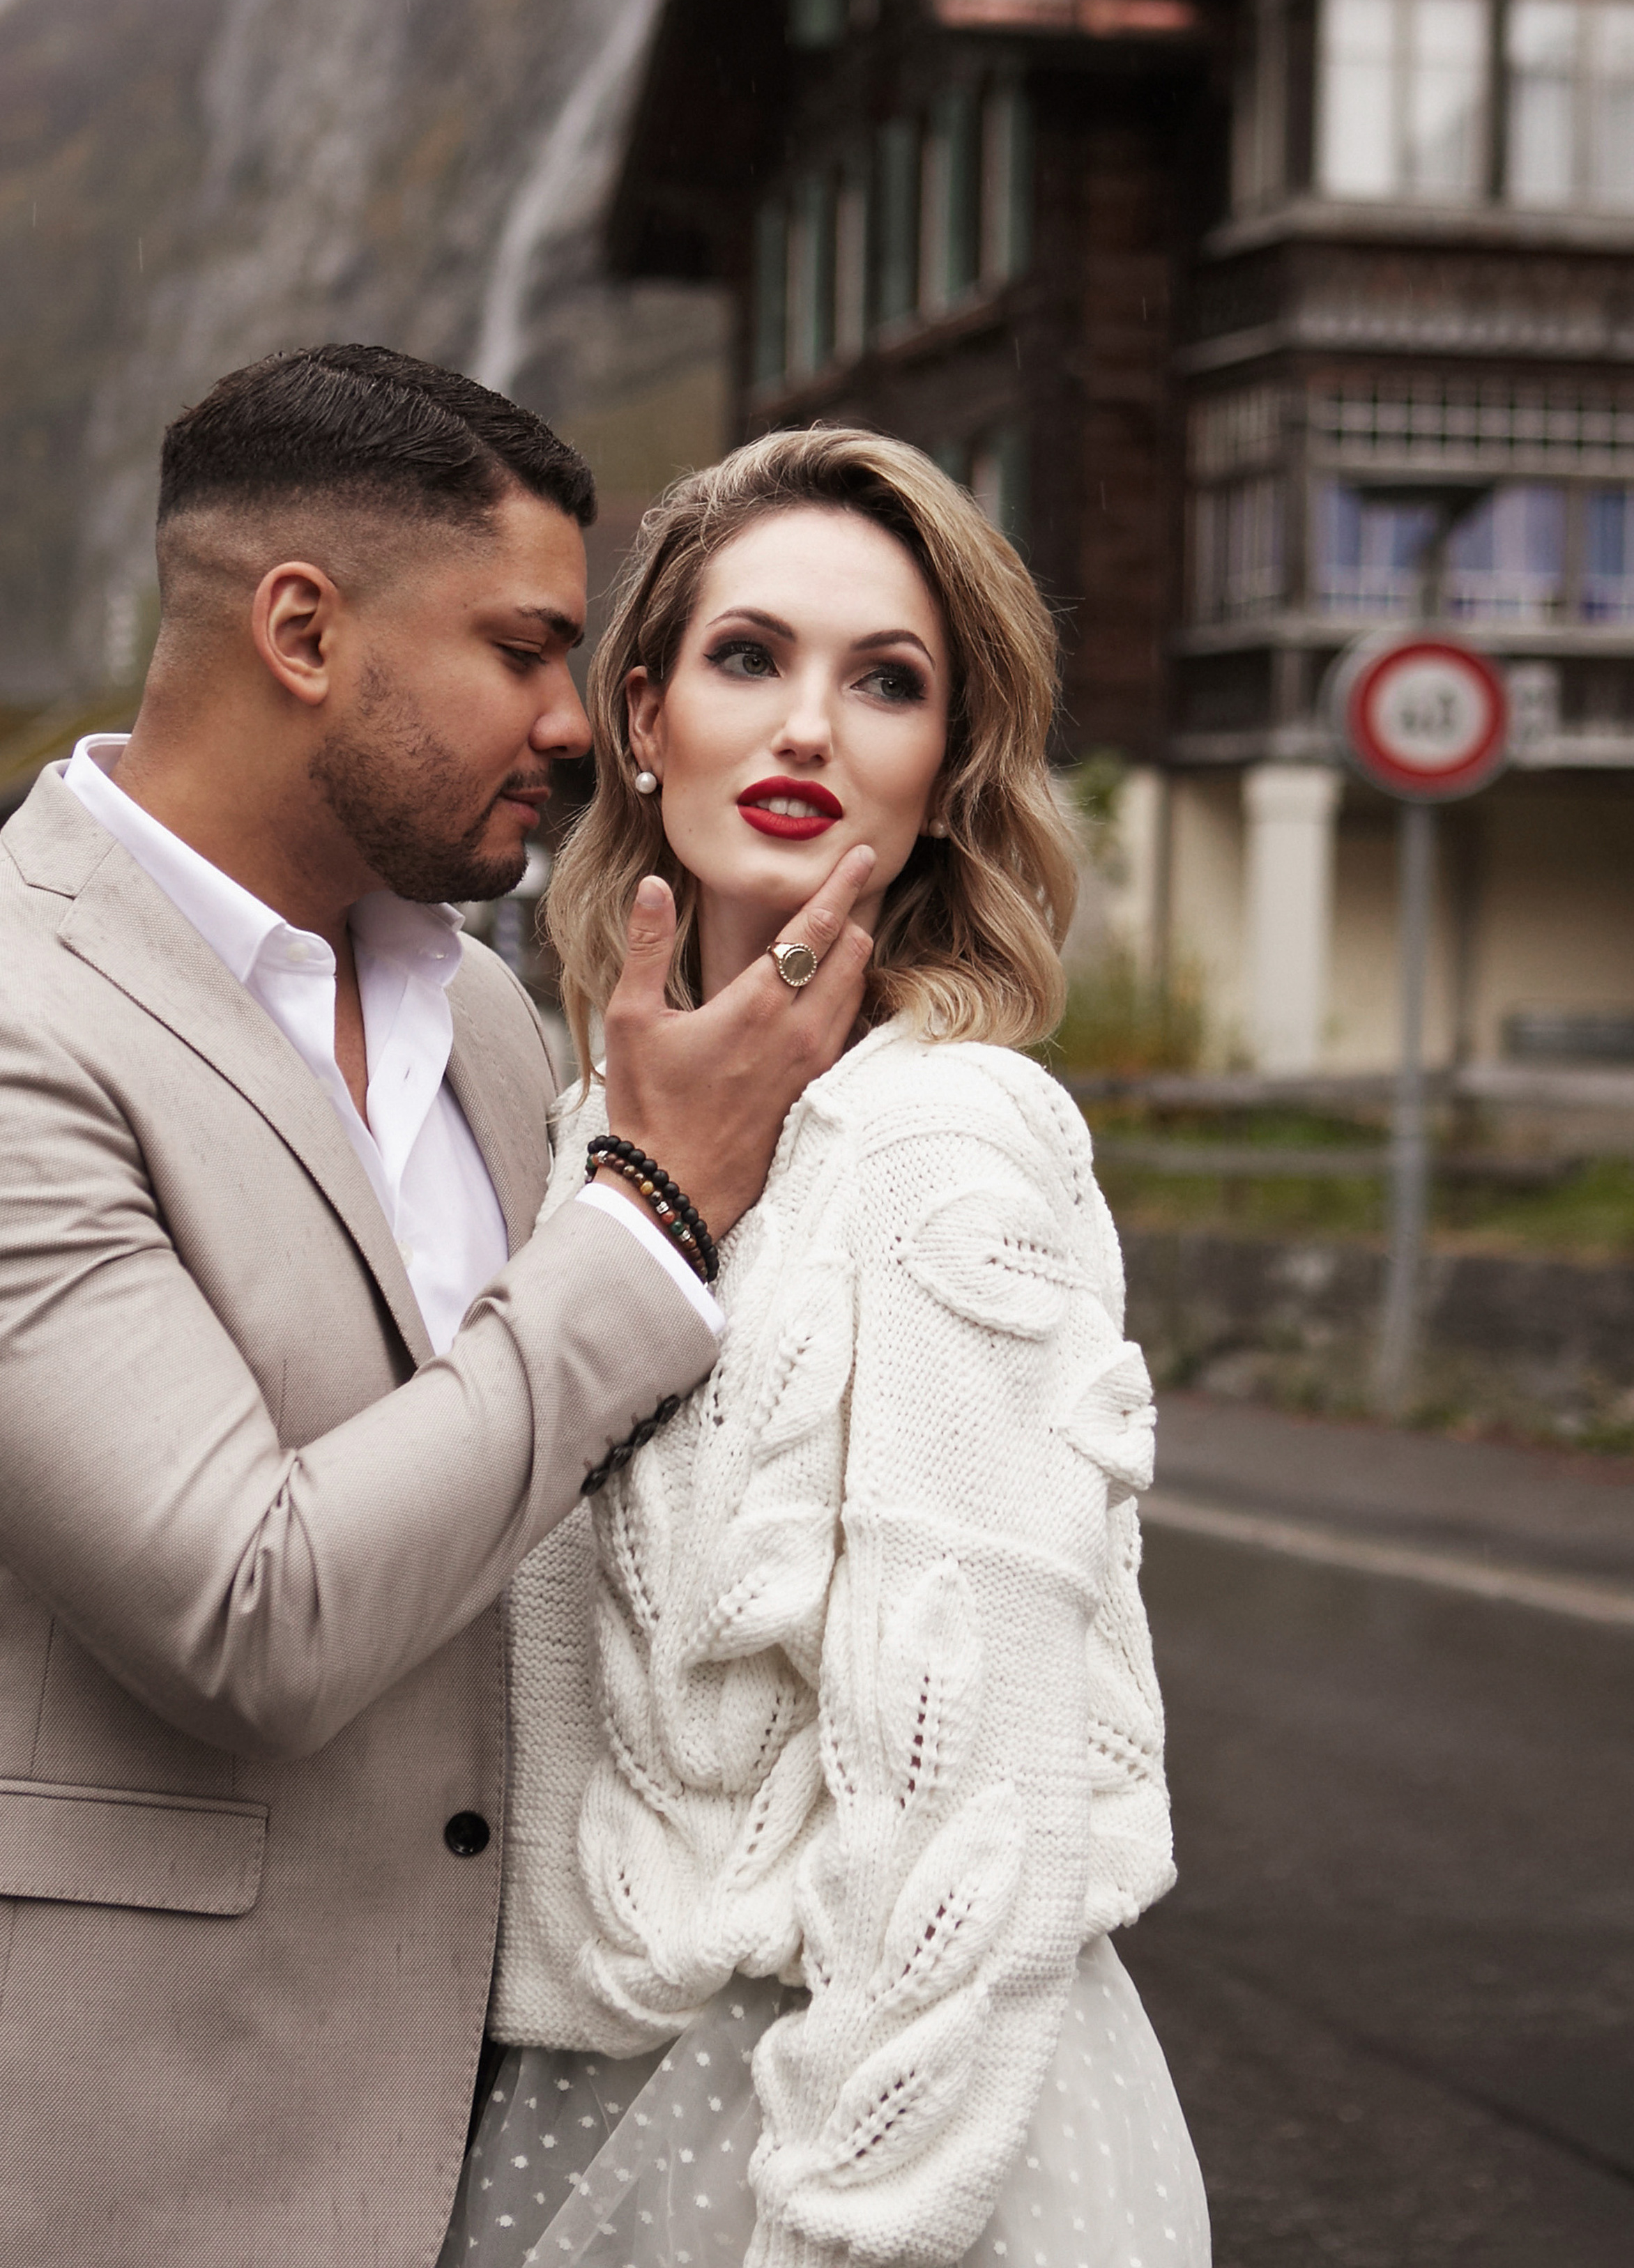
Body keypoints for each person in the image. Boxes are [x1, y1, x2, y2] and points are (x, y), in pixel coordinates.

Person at [0, 347, 873, 2268]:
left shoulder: (487, 1015)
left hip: (516, 2141)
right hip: (132, 2152)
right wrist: (650, 1208)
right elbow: (253, 1612)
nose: (583, 728)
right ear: (302, 629)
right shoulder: (21, 1020)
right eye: (528, 648)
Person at [448, 429, 1209, 2268]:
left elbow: (976, 1820)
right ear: (643, 713)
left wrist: (842, 2232)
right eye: (748, 657)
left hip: (849, 2138)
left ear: (947, 773)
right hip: (579, 2098)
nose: (806, 728)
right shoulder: (575, 1145)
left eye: (887, 683)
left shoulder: (950, 1143)